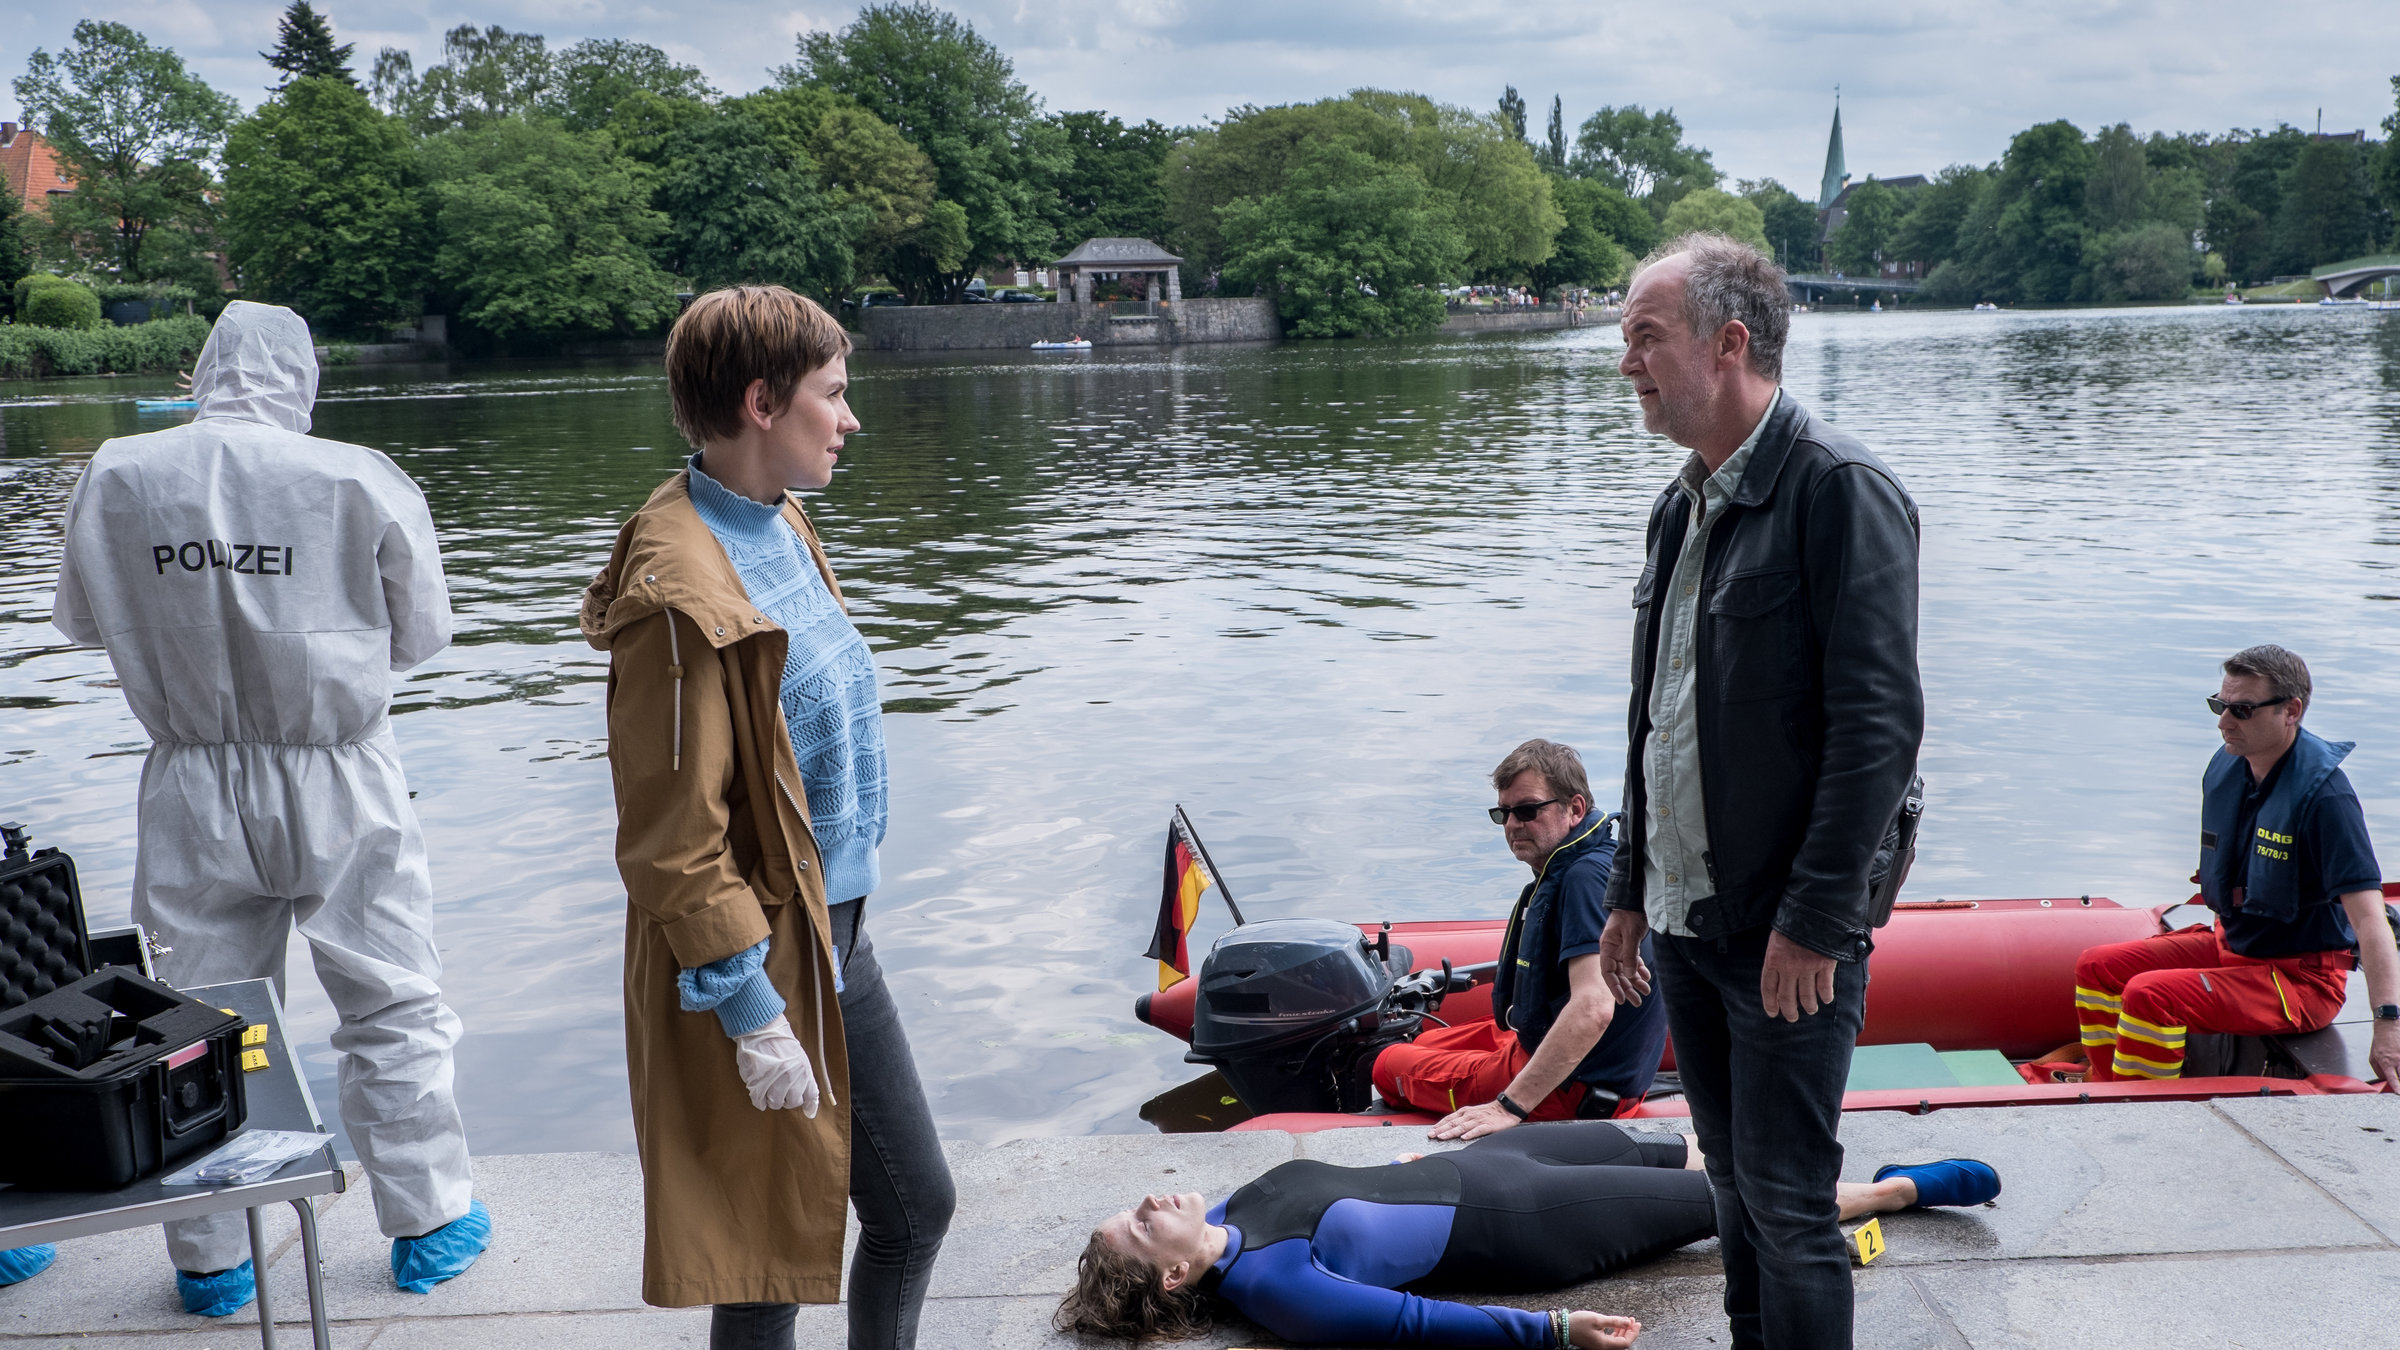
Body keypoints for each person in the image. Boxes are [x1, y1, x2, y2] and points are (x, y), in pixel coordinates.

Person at [51, 302, 491, 1316]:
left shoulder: (117, 471)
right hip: (339, 773)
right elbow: (423, 634)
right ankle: (427, 1219)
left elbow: (78, 620)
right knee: (389, 999)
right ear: (304, 380)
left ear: (205, 369)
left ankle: (212, 1257)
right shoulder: (356, 475)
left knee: (195, 1020)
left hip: (190, 781)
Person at [581, 285, 954, 1350]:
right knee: (788, 1250)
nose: (850, 419)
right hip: (766, 954)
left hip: (835, 931)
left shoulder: (781, 519)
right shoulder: (675, 594)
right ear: (760, 402)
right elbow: (670, 839)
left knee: (859, 1224)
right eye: (832, 396)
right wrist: (750, 1011)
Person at [1594, 234, 1922, 1350]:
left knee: (1789, 1198)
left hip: (1787, 933)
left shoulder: (1839, 490)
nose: (1625, 360)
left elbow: (1879, 733)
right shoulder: (1678, 505)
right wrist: (1630, 886)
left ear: (1729, 343)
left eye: (1645, 335)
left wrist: (1817, 922)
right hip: (1688, 922)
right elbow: (1659, 721)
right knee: (1732, 1187)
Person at [1054, 1120, 2000, 1348]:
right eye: (1141, 1224)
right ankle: (1892, 1196)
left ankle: (1839, 1187)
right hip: (1531, 1222)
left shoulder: (1215, 1225)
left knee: (1673, 1143)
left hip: (1502, 1159)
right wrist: (1553, 1332)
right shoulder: (1275, 1286)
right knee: (1738, 1196)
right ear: (1173, 1281)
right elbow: (1413, 1329)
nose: (1152, 1198)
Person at [2075, 646, 2399, 1086]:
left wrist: (2388, 1026)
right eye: (2219, 705)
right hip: (2236, 949)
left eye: (2242, 710)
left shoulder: (2326, 800)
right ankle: (2104, 1088)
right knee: (2097, 967)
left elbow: (2370, 920)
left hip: (2299, 981)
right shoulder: (2232, 767)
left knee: (2150, 995)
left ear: (2291, 711)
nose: (2223, 722)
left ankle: (2139, 1112)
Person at [1372, 740, 1668, 1136]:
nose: (1513, 825)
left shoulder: (1584, 880)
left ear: (1575, 809)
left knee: (1384, 1063)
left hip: (1570, 1091)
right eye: (1503, 813)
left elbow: (1594, 1008)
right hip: (1549, 1050)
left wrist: (1508, 1107)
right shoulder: (1594, 862)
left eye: (1528, 810)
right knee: (1423, 1037)